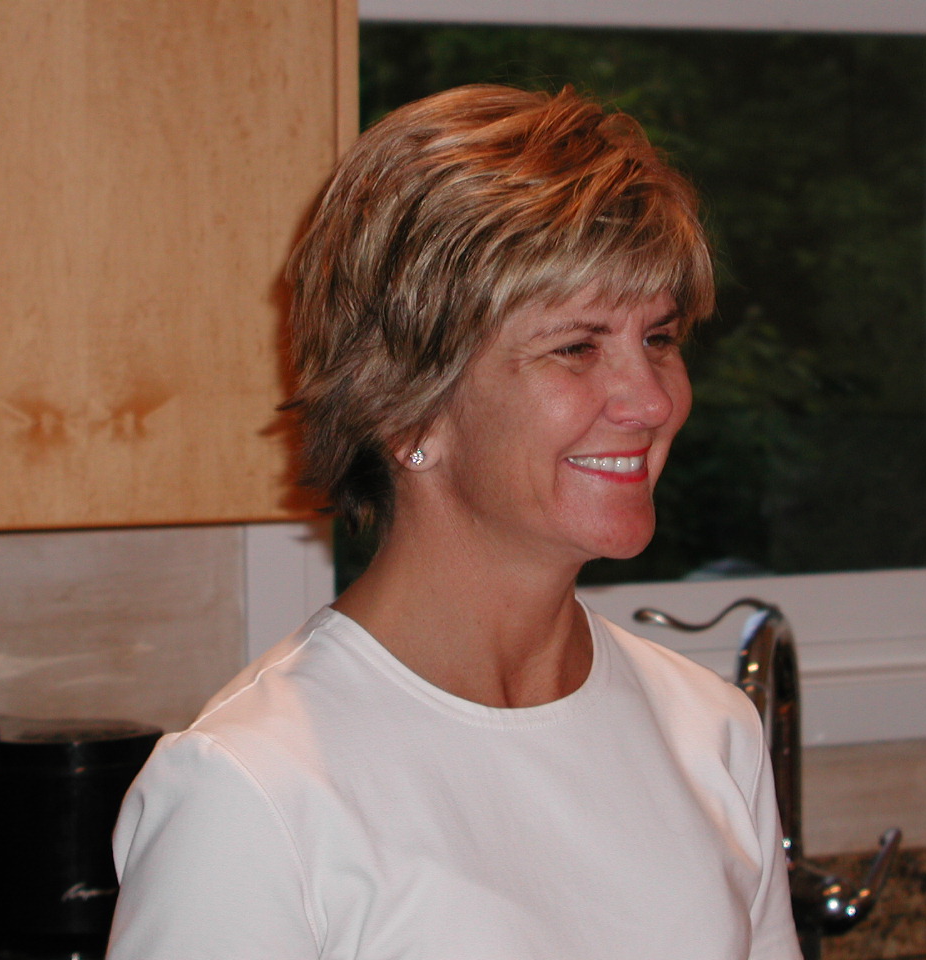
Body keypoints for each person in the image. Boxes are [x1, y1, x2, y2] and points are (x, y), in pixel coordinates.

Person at [106, 84, 800, 960]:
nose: (654, 400)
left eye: (658, 339)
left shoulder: (711, 735)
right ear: (406, 409)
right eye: (576, 347)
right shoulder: (254, 789)